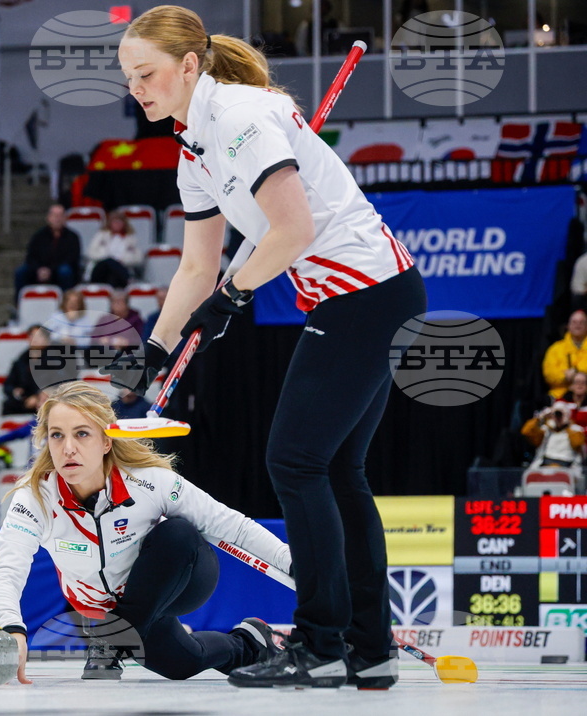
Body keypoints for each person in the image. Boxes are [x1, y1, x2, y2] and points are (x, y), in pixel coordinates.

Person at [118, 7, 425, 689]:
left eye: (147, 73)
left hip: (368, 293)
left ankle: (321, 643)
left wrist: (236, 294)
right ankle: (369, 649)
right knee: (338, 472)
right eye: (129, 77)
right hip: (362, 297)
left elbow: (290, 228)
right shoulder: (193, 145)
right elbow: (197, 266)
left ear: (189, 65)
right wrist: (156, 349)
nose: (136, 88)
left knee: (295, 460)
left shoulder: (239, 118)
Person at [0, 381, 291, 683]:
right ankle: (250, 643)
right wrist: (11, 628)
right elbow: (7, 568)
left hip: (179, 579)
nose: (68, 448)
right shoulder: (34, 497)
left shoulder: (151, 483)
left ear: (106, 441)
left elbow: (234, 527)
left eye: (82, 434)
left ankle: (110, 641)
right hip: (110, 609)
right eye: (57, 435)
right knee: (184, 663)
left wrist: (291, 561)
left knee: (178, 533)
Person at [14, 204, 81, 297]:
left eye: (60, 216)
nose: (57, 219)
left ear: (65, 218)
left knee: (65, 271)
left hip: (59, 270)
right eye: (54, 215)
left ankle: (66, 305)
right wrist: (39, 269)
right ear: (48, 218)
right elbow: (30, 256)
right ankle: (19, 306)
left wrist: (51, 270)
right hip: (39, 270)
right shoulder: (38, 236)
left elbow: (72, 259)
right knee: (21, 272)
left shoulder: (73, 237)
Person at [85, 209, 143, 288]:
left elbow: (138, 258)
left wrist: (122, 260)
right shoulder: (101, 235)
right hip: (100, 269)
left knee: (113, 275)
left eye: (119, 222)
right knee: (110, 261)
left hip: (120, 269)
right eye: (115, 222)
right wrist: (106, 258)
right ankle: (127, 279)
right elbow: (90, 253)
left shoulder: (131, 239)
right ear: (110, 223)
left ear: (124, 224)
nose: (117, 224)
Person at [3, 324, 50, 416]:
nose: (35, 339)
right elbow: (8, 384)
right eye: (32, 335)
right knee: (8, 405)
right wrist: (15, 391)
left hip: (45, 400)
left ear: (47, 340)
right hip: (24, 401)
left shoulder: (55, 360)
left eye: (39, 336)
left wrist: (38, 396)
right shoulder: (21, 361)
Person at [543, 310, 587, 399]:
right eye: (574, 322)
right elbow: (549, 374)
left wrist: (576, 374)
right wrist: (565, 377)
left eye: (581, 322)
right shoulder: (555, 348)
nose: (578, 325)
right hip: (560, 395)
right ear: (568, 326)